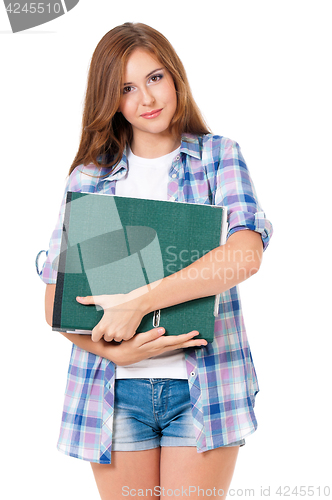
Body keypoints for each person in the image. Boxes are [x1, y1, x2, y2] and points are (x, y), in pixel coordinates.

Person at [38, 22, 273, 500]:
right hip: (113, 394)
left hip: (204, 388)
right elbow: (56, 305)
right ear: (110, 99)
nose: (146, 97)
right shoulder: (91, 178)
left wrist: (137, 303)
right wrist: (114, 351)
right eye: (126, 88)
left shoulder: (216, 157)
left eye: (155, 77)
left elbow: (244, 256)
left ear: (175, 77)